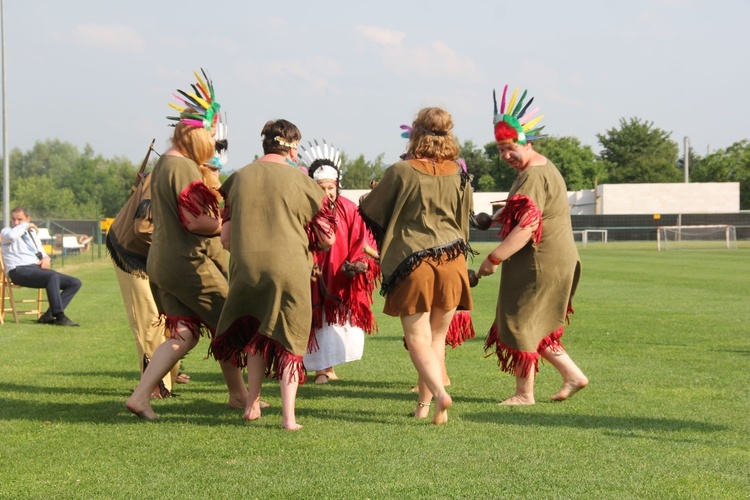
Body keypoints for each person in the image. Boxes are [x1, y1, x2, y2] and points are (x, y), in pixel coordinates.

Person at [125, 69, 245, 420]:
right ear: (194, 134)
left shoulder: (166, 164)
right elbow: (194, 221)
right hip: (186, 263)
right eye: (209, 131)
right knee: (231, 322)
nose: (212, 138)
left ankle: (141, 396)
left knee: (185, 333)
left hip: (162, 262)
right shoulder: (184, 168)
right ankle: (240, 395)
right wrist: (228, 223)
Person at [210, 119, 336, 431]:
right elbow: (328, 237)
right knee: (290, 339)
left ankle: (252, 404)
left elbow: (225, 237)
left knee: (255, 332)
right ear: (292, 148)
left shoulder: (238, 178)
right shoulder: (302, 182)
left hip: (245, 268)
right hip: (290, 268)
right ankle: (288, 418)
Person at [359, 107, 474, 425]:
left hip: (414, 263)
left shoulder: (401, 171)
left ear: (416, 134)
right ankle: (424, 407)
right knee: (437, 339)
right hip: (453, 261)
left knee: (418, 339)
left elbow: (371, 210)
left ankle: (439, 394)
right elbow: (465, 217)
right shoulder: (460, 174)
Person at [478, 85, 588, 405]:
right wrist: (494, 219)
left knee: (521, 319)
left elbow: (527, 226)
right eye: (500, 150)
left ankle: (524, 394)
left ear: (526, 143)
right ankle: (573, 375)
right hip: (554, 259)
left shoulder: (533, 175)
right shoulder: (540, 168)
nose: (506, 156)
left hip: (540, 261)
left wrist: (494, 258)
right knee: (535, 322)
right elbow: (524, 208)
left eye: (510, 147)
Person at [107, 141, 189, 399]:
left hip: (153, 255)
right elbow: (143, 228)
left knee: (168, 318)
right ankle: (156, 384)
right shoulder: (162, 176)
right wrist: (175, 251)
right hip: (133, 254)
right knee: (149, 320)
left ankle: (169, 375)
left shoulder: (181, 172)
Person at [300, 140, 380, 385]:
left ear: (337, 186)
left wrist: (359, 264)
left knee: (334, 323)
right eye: (321, 188)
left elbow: (362, 239)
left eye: (331, 187)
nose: (327, 193)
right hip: (314, 274)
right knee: (317, 320)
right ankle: (319, 370)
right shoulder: (306, 209)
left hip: (340, 273)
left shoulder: (348, 208)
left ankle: (329, 366)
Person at [1, 206, 81, 326]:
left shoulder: (31, 234)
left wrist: (47, 259)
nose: (16, 222)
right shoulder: (6, 232)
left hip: (35, 269)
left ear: (28, 218)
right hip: (18, 271)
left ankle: (48, 315)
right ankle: (60, 316)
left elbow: (41, 252)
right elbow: (13, 236)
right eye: (13, 219)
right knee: (52, 275)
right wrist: (26, 225)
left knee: (75, 282)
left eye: (20, 219)